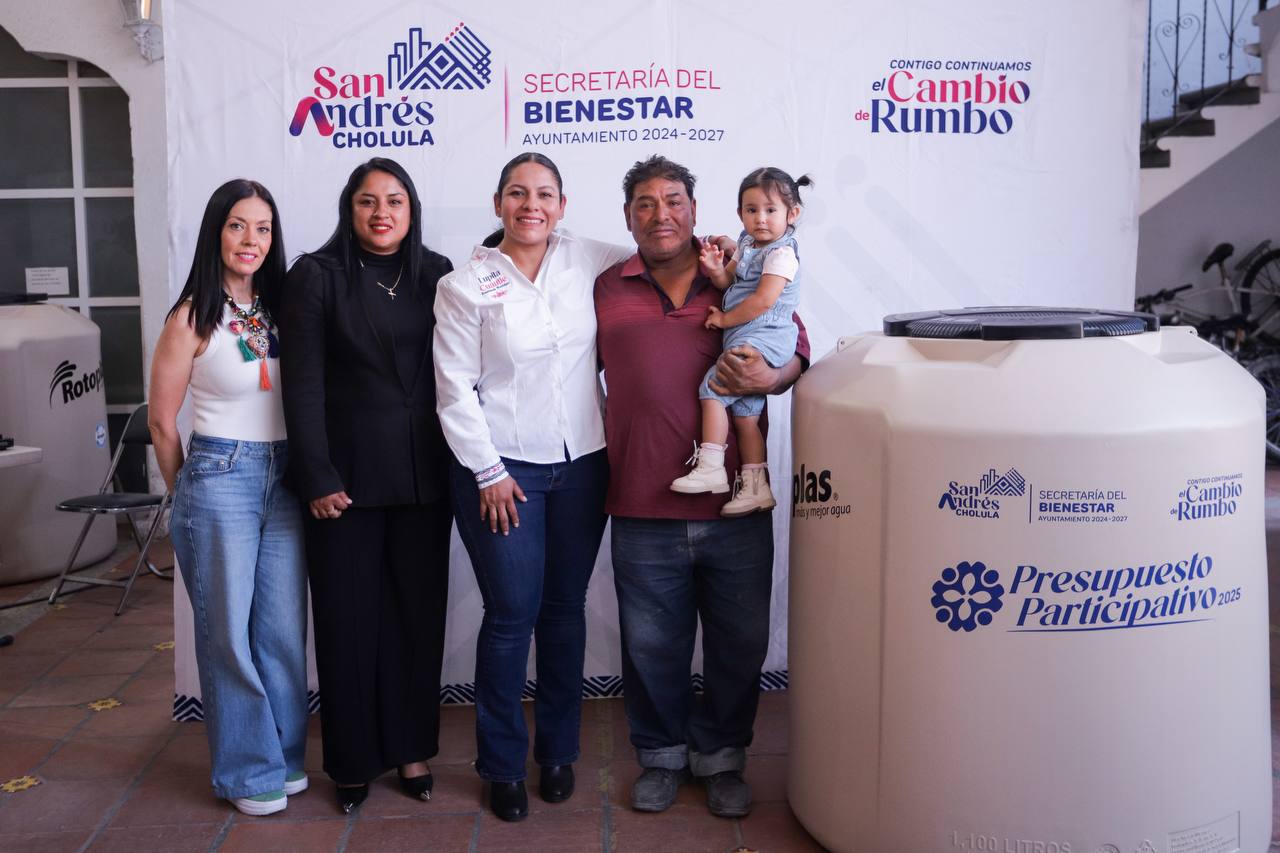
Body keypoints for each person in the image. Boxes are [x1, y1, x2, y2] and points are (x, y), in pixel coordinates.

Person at [593, 155, 809, 818]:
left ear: (694, 209)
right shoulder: (604, 287)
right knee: (650, 645)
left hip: (737, 502)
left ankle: (720, 757)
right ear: (628, 216)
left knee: (739, 642)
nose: (661, 214)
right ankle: (660, 755)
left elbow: (795, 345)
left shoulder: (741, 270)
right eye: (646, 203)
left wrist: (775, 376)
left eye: (674, 201)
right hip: (640, 498)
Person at [433, 152, 631, 822]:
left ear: (562, 205)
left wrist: (737, 256)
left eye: (545, 194)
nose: (531, 205)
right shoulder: (464, 285)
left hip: (584, 463)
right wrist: (487, 472)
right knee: (512, 613)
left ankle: (558, 753)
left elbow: (659, 254)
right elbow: (453, 388)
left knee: (564, 611)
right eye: (518, 193)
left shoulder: (587, 257)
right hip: (503, 470)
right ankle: (501, 765)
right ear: (498, 204)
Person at [279, 157, 453, 814]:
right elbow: (302, 385)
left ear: (412, 210)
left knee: (416, 621)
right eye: (367, 201)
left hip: (424, 479)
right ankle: (351, 761)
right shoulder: (316, 275)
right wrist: (316, 473)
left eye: (395, 201)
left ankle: (411, 749)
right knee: (348, 624)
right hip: (343, 485)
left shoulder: (437, 273)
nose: (382, 213)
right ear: (349, 209)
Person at [149, 178, 308, 817]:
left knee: (282, 631)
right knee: (228, 637)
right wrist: (188, 495)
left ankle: (284, 756)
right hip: (219, 477)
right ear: (216, 231)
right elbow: (162, 423)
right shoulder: (191, 316)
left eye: (263, 228)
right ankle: (247, 771)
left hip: (286, 477)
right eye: (238, 225)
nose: (251, 240)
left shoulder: (280, 308)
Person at [671, 167, 811, 518]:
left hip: (766, 334)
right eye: (752, 210)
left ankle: (711, 465)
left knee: (713, 387)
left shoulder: (782, 254)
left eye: (770, 210)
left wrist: (723, 320)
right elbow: (728, 282)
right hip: (749, 332)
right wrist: (716, 268)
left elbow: (762, 301)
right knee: (746, 414)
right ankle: (756, 487)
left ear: (792, 214)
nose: (760, 218)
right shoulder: (747, 243)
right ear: (740, 213)